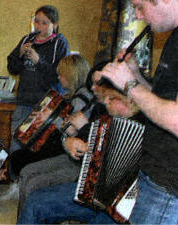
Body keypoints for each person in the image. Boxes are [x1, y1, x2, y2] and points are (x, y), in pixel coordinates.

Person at [18, 0, 178, 224]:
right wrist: (137, 75)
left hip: (172, 191)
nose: (138, 16)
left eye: (140, 6)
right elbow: (165, 102)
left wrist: (129, 83)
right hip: (161, 181)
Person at [16, 61, 109, 214]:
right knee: (26, 172)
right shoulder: (96, 105)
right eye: (92, 83)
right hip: (73, 156)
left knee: (32, 181)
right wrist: (70, 135)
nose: (93, 88)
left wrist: (79, 128)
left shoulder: (86, 100)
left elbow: (98, 148)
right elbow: (75, 135)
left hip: (84, 168)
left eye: (98, 84)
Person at [0, 54, 91, 201]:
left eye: (62, 75)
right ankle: (20, 187)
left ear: (71, 76)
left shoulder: (81, 99)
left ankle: (23, 189)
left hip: (69, 150)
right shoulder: (79, 94)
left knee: (19, 157)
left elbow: (71, 130)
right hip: (64, 144)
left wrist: (51, 117)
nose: (59, 78)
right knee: (24, 151)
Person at [7, 5, 70, 155]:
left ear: (54, 25)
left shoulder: (59, 43)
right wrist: (19, 56)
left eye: (44, 23)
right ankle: (14, 177)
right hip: (24, 102)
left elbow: (59, 76)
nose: (39, 26)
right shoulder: (27, 39)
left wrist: (38, 61)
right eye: (37, 22)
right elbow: (12, 69)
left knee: (37, 151)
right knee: (16, 148)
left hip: (45, 106)